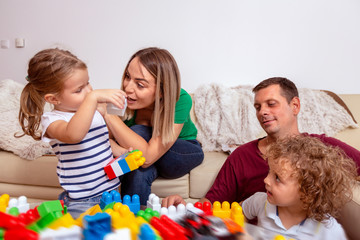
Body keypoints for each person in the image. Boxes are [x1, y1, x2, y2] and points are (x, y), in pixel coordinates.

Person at [162, 77, 360, 207]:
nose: (262, 112)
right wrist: (184, 209)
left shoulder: (324, 148)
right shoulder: (243, 156)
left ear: (295, 106)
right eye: (257, 107)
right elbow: (212, 204)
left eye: (271, 104)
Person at [18, 48, 128, 217]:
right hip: (83, 200)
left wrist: (120, 151)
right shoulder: (52, 120)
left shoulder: (94, 112)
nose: (89, 91)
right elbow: (74, 135)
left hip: (111, 190)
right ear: (53, 99)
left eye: (88, 83)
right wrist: (92, 99)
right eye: (79, 90)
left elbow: (100, 140)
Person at [104, 47, 204, 205]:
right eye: (128, 77)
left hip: (181, 152)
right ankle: (134, 220)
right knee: (138, 169)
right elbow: (105, 140)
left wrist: (108, 115)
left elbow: (148, 157)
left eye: (140, 85)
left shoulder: (180, 99)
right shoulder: (123, 101)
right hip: (146, 156)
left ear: (162, 91)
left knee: (138, 133)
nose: (128, 88)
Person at [242, 135, 357, 239]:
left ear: (307, 193)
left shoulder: (328, 230)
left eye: (277, 178)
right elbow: (237, 213)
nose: (266, 180)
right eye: (269, 172)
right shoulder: (260, 202)